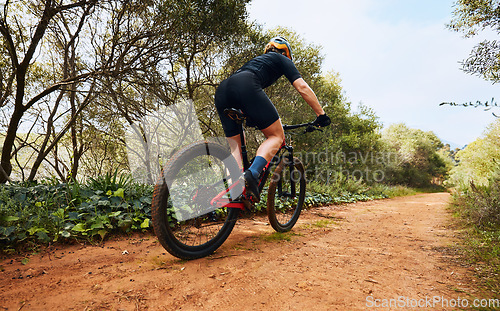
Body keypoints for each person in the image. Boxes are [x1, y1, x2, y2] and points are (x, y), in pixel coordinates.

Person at [215, 36, 331, 202]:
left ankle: (234, 194)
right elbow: (302, 87)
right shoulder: (281, 59)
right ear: (286, 52)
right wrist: (321, 114)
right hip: (245, 85)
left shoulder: (257, 62)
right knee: (277, 136)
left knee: (236, 149)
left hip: (222, 91)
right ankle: (252, 175)